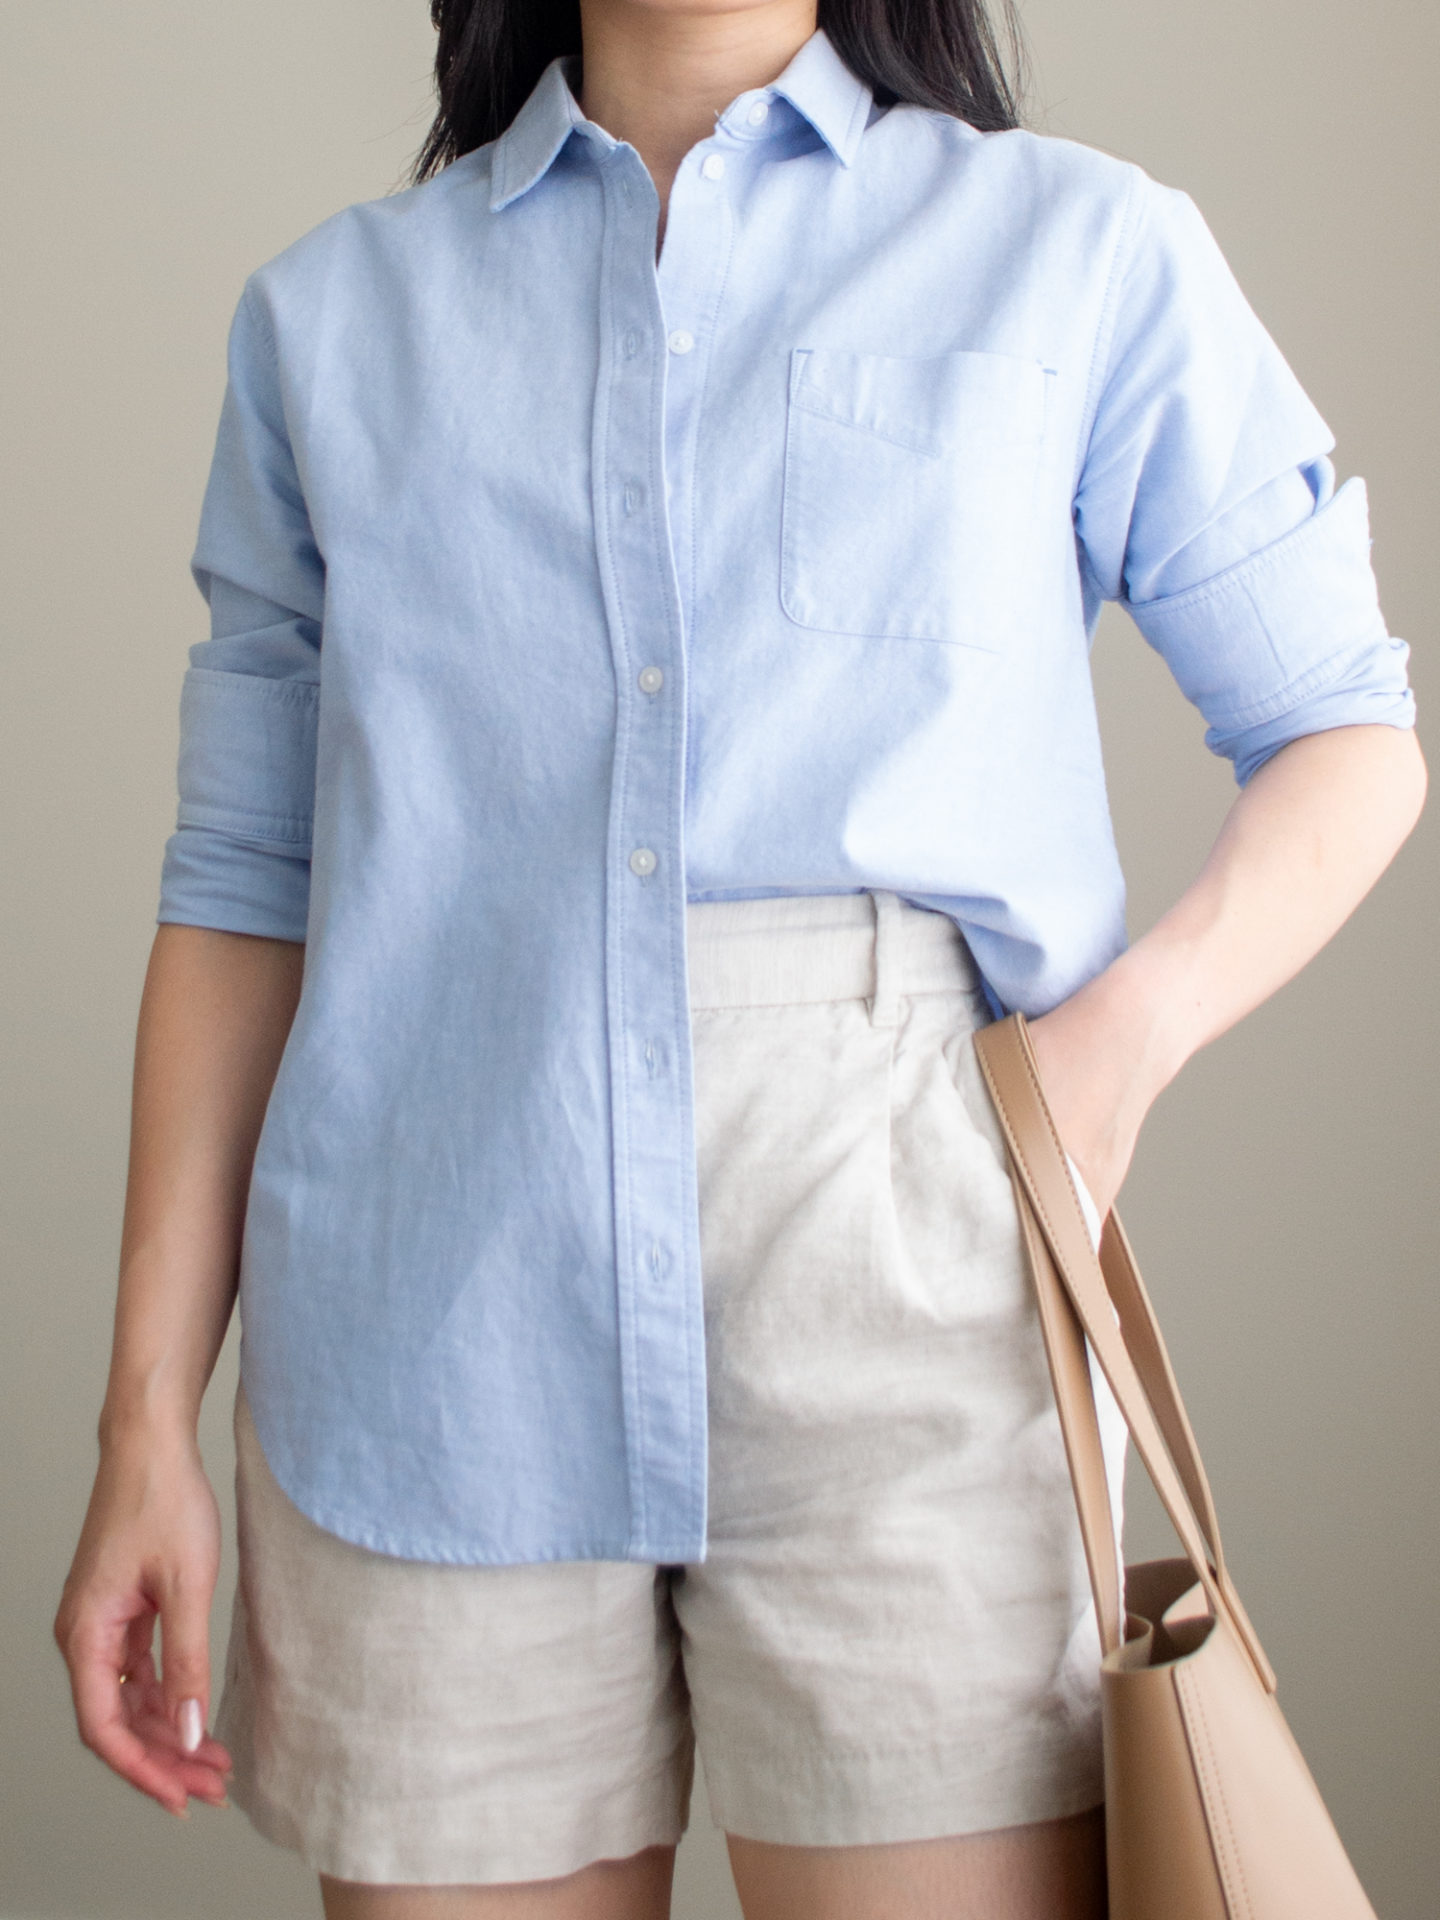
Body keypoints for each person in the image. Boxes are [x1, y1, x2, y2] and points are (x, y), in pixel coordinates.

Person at [54, 2, 1424, 1916]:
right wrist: (143, 1424)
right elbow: (242, 891)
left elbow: (1349, 728)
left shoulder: (1075, 249)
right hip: (431, 1309)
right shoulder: (331, 320)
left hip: (916, 1286)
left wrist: (1121, 1041)